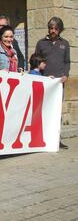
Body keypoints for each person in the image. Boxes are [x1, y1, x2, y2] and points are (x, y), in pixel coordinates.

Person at [35, 16, 70, 149]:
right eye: (51, 28)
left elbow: (67, 62)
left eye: (55, 28)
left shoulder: (65, 44)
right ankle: (40, 138)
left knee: (56, 110)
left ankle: (56, 138)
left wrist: (65, 75)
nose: (53, 30)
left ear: (60, 29)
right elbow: (35, 60)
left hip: (59, 83)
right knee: (42, 109)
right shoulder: (41, 43)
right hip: (44, 82)